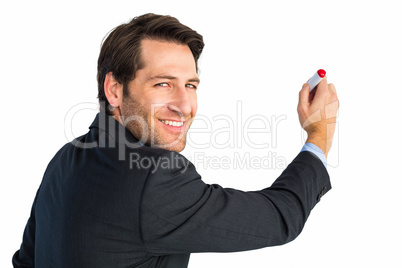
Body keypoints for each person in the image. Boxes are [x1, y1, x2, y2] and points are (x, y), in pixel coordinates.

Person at [12, 13, 339, 267]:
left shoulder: (64, 159)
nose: (184, 105)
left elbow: (26, 262)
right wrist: (319, 134)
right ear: (114, 89)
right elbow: (280, 218)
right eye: (163, 84)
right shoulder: (154, 175)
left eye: (191, 85)